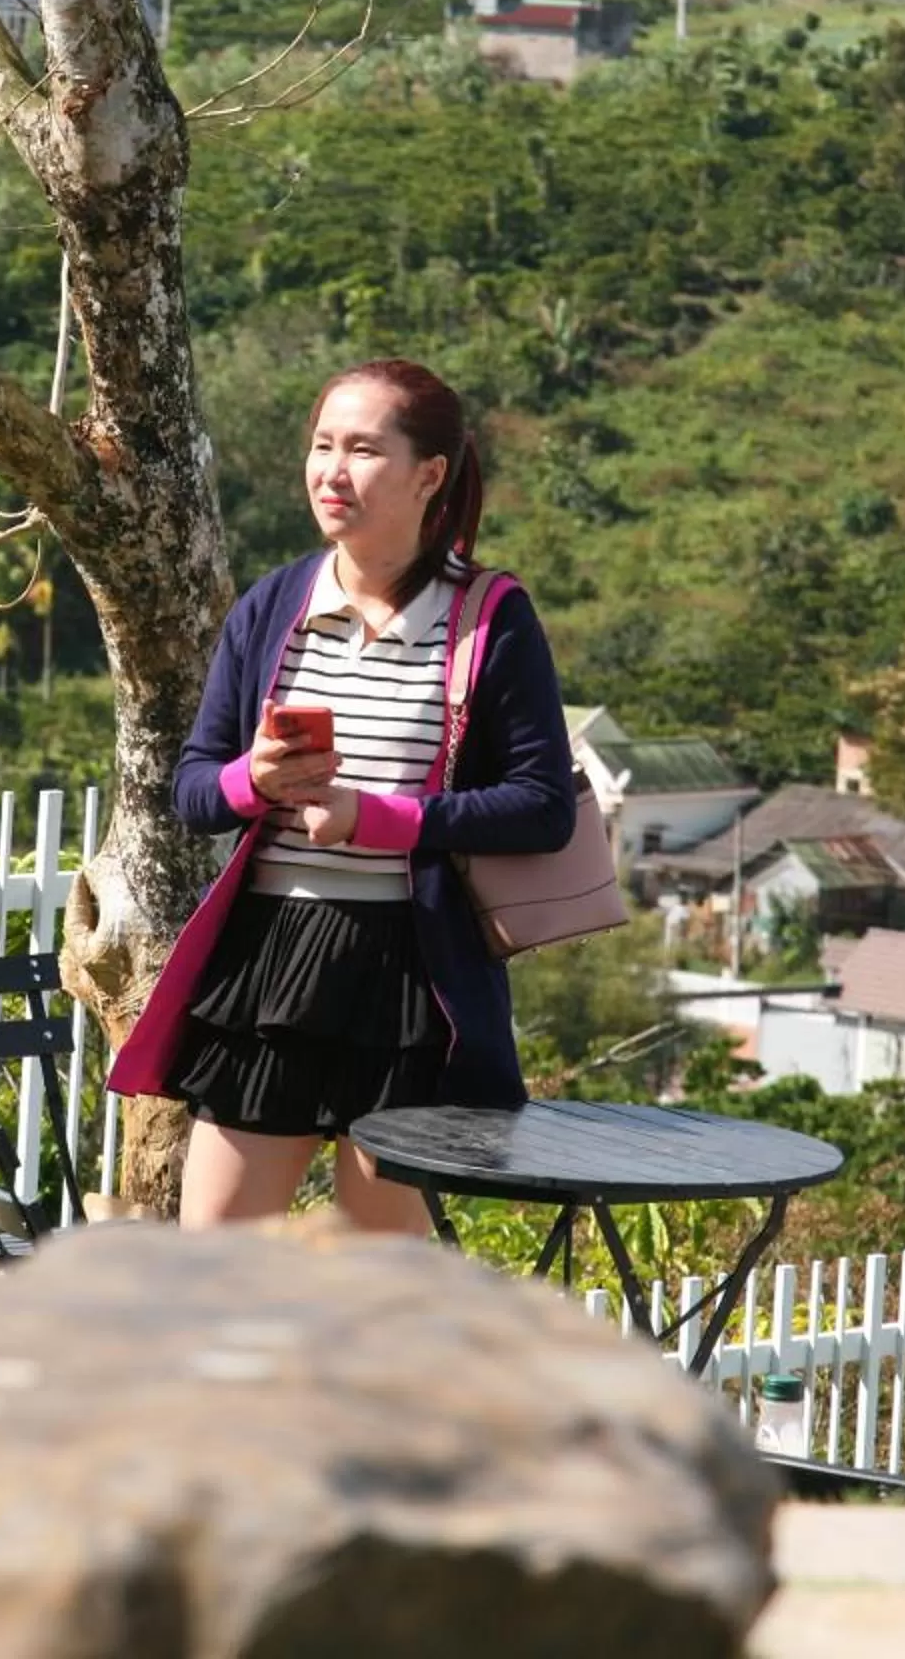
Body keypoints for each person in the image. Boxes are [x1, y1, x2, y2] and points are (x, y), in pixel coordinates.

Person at [104, 359, 577, 1232]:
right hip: (268, 961)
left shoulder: (489, 618)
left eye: (363, 450)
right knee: (215, 1255)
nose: (332, 471)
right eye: (322, 446)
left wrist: (379, 820)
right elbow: (194, 789)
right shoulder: (273, 606)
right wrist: (254, 781)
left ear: (429, 475)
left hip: (410, 976)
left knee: (377, 1269)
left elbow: (542, 805)